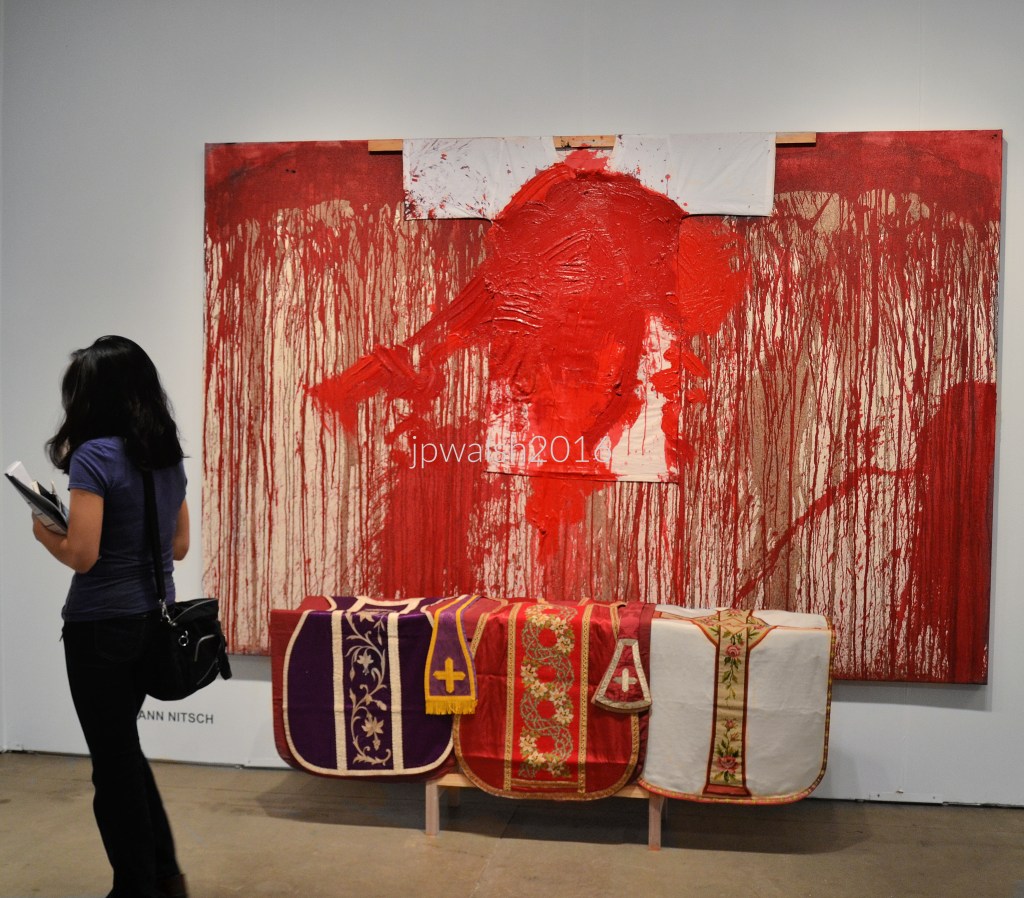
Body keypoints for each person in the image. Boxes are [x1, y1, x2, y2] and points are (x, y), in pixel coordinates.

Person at [31, 335, 190, 898]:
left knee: (113, 767)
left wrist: (44, 532)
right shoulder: (166, 455)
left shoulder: (94, 456)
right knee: (124, 755)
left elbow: (83, 554)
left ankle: (136, 886)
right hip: (153, 621)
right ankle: (165, 877)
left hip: (100, 628)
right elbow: (179, 546)